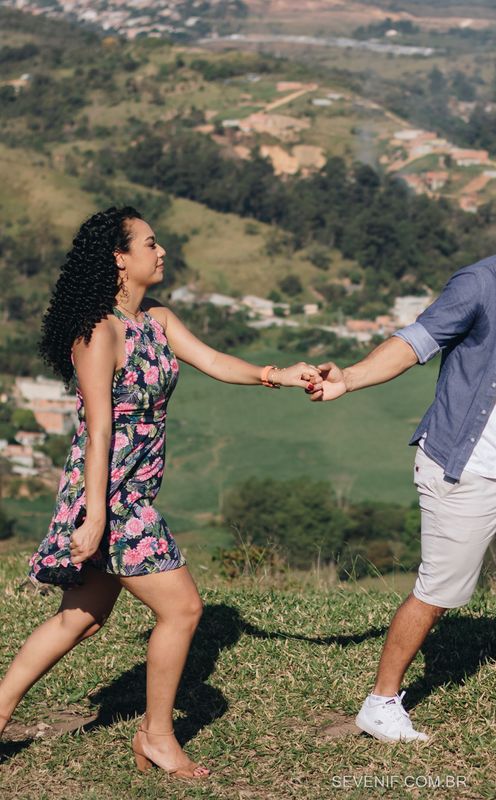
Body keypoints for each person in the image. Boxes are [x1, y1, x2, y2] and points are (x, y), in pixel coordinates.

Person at [0, 207, 318, 777]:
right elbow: (98, 429)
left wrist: (279, 374)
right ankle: (157, 735)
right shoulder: (98, 331)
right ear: (120, 258)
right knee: (184, 607)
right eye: (150, 243)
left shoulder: (158, 320)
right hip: (111, 495)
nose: (161, 250)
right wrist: (94, 515)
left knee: (82, 618)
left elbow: (216, 361)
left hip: (131, 494)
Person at [308, 185, 496, 741]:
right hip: (462, 468)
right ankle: (380, 702)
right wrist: (348, 377)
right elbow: (415, 341)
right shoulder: (480, 284)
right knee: (439, 593)